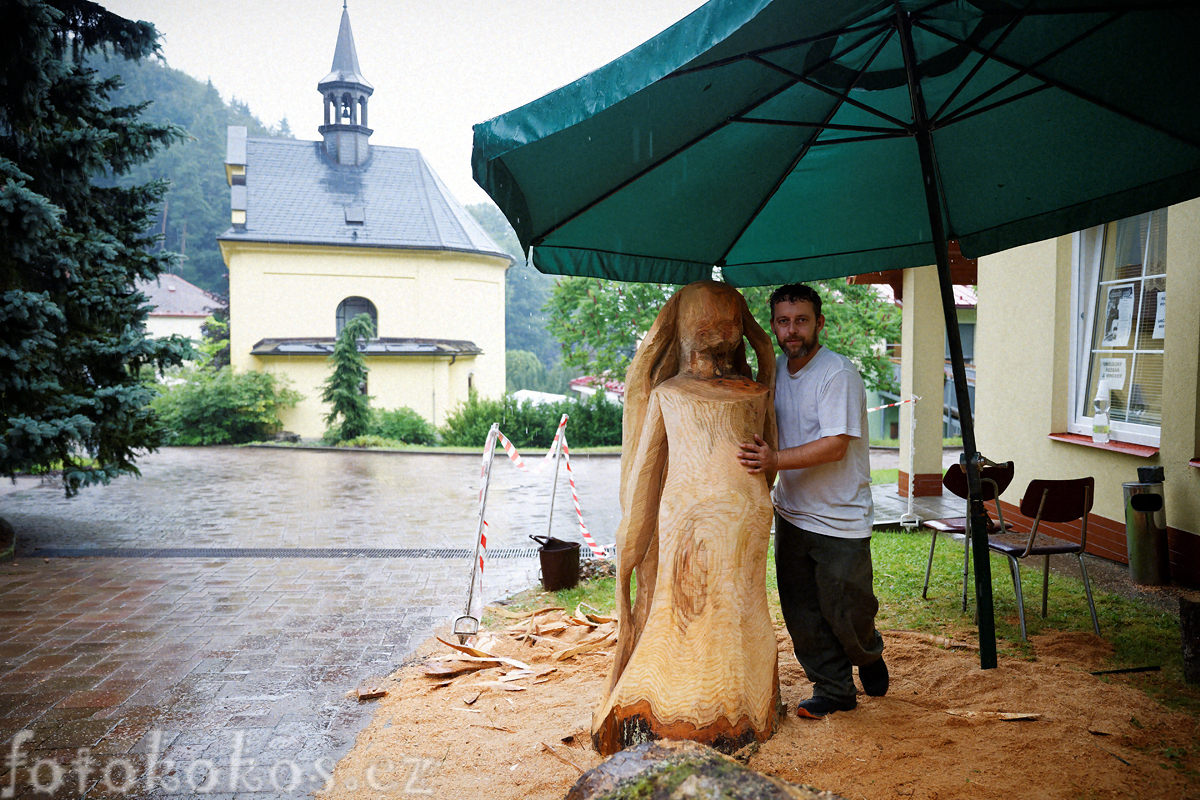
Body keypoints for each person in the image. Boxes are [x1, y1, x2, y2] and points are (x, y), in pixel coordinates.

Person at [737, 282, 887, 719]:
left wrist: (776, 459)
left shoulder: (837, 374)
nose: (793, 330)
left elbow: (836, 444)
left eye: (801, 320)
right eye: (784, 322)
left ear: (819, 323)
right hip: (792, 512)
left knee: (849, 611)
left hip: (841, 516)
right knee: (802, 613)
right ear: (774, 328)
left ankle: (868, 653)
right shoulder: (774, 373)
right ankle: (834, 689)